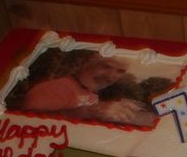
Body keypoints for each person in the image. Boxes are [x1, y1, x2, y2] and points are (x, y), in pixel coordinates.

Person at [21, 53, 149, 125]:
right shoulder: (57, 87)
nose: (111, 76)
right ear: (89, 62)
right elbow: (30, 122)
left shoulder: (90, 94)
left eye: (120, 71)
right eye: (106, 67)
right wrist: (90, 112)